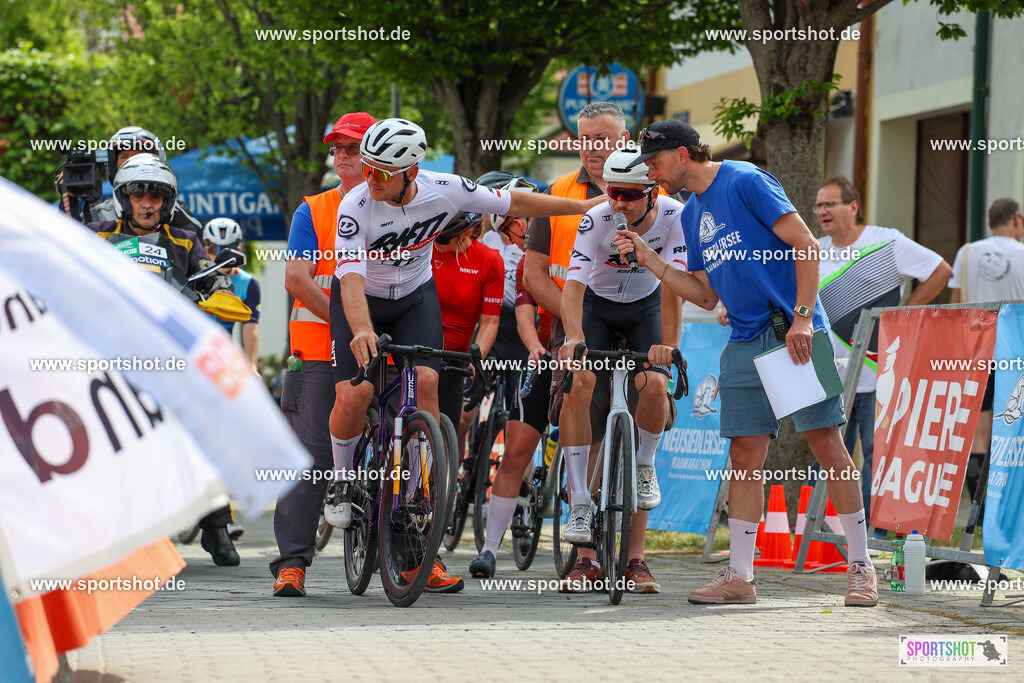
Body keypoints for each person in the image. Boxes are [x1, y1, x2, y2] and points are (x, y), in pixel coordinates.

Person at [324, 117, 605, 593]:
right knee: (357, 393)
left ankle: (419, 487)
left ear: (412, 171)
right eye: (367, 168)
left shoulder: (446, 189)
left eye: (381, 172)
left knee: (430, 383)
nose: (369, 179)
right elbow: (349, 279)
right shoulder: (355, 207)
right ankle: (340, 477)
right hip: (362, 298)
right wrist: (362, 330)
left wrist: (581, 206)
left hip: (415, 295)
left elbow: (516, 199)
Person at [615, 119, 877, 607]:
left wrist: (802, 319)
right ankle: (739, 576)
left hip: (790, 333)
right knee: (744, 457)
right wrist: (651, 261)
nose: (651, 173)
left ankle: (861, 567)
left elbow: (805, 245)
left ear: (683, 154)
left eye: (654, 161)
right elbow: (704, 291)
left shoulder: (746, 179)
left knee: (826, 443)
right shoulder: (691, 214)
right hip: (742, 339)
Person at [86, 153, 239, 567]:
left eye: (156, 193)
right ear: (124, 197)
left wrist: (221, 289)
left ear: (167, 200)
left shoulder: (185, 240)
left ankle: (215, 526)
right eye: (138, 193)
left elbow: (209, 272)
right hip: (114, 352)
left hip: (174, 353)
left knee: (203, 429)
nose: (147, 201)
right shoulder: (98, 234)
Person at [554, 146, 686, 594]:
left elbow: (675, 289)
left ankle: (636, 554)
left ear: (653, 191)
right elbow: (572, 288)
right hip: (596, 306)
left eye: (630, 194)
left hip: (646, 306)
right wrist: (573, 337)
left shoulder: (674, 216)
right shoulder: (597, 219)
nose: (619, 203)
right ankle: (579, 514)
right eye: (612, 192)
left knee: (653, 385)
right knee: (581, 383)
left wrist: (670, 347)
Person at [271, 111, 376, 598]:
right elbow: (296, 280)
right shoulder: (312, 209)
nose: (342, 157)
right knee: (311, 458)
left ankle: (420, 554)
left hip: (381, 347)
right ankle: (292, 564)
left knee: (404, 447)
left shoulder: (398, 207)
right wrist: (352, 326)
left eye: (352, 148)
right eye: (337, 149)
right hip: (316, 351)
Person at [815, 176, 950, 535]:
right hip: (830, 376)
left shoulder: (885, 241)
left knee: (879, 456)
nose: (822, 211)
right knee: (829, 455)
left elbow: (940, 271)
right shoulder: (812, 249)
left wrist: (906, 313)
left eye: (830, 204)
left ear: (853, 207)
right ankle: (826, 534)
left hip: (881, 371)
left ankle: (874, 535)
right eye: (818, 206)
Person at [469, 178, 556, 579]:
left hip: (538, 336)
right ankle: (466, 454)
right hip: (496, 325)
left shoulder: (541, 249)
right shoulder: (488, 246)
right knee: (469, 406)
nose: (528, 224)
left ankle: (534, 479)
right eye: (520, 219)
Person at [949, 197, 1024, 505]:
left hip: (977, 351)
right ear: (1017, 220)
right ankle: (1010, 503)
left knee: (979, 429)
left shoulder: (967, 253)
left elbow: (955, 304)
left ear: (991, 223)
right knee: (1014, 427)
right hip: (1016, 350)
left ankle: (980, 509)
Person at [432, 210, 504, 428]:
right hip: (417, 345)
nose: (437, 245)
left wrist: (477, 356)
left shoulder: (489, 260)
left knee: (452, 426)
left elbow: (490, 321)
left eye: (444, 240)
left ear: (467, 233)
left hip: (454, 356)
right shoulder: (424, 249)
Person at [89, 126, 203, 234]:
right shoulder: (99, 214)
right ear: (113, 166)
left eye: (138, 156)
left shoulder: (175, 212)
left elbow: (195, 239)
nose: (131, 163)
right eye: (124, 157)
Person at [202, 218, 261, 371]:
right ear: (204, 249)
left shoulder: (249, 283)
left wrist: (252, 367)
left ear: (239, 250)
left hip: (224, 353)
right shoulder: (193, 279)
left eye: (229, 248)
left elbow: (250, 327)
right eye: (215, 249)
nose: (222, 256)